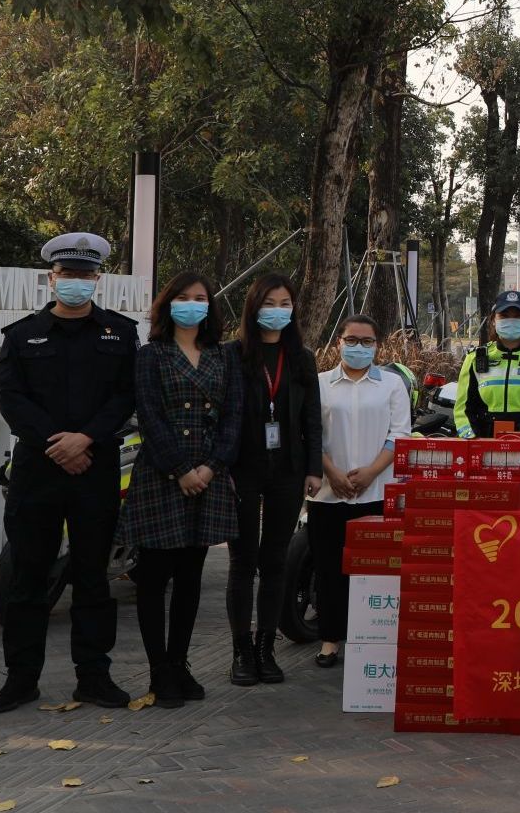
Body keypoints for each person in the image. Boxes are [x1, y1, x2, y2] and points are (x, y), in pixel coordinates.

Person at [0, 234, 139, 714]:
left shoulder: (120, 333)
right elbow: (12, 399)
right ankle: (20, 680)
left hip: (94, 469)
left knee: (93, 578)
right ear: (51, 279)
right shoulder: (21, 335)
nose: (76, 282)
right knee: (28, 578)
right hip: (39, 468)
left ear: (98, 279)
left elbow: (126, 395)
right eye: (67, 274)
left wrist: (85, 438)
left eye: (85, 275)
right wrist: (60, 444)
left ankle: (93, 677)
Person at [118, 271, 244, 708]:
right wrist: (181, 469)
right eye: (183, 297)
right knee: (154, 578)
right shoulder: (151, 355)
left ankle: (180, 663)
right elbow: (149, 416)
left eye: (200, 298)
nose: (192, 304)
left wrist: (209, 467)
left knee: (191, 577)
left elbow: (233, 418)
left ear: (210, 306)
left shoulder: (223, 356)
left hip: (209, 477)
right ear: (167, 304)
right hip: (162, 476)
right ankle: (159, 671)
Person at [226, 274, 322, 686]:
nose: (277, 311)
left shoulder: (301, 357)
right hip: (241, 471)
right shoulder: (232, 355)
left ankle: (266, 648)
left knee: (276, 559)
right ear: (253, 307)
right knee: (243, 561)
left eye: (285, 304)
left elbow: (312, 418)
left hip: (288, 471)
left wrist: (314, 468)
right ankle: (241, 651)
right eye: (269, 303)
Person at [309, 315, 411, 667]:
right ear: (338, 342)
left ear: (377, 346)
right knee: (328, 569)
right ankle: (330, 640)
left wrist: (370, 473)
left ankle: (370, 638)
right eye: (351, 340)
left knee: (374, 572)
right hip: (328, 492)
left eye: (367, 341)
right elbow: (310, 434)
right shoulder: (320, 384)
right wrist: (332, 473)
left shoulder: (391, 385)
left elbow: (399, 435)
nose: (359, 347)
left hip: (376, 492)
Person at [452, 290, 520, 437]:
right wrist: (471, 438)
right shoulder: (475, 358)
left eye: (518, 316)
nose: (511, 321)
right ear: (493, 319)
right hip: (484, 441)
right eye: (504, 315)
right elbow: (462, 407)